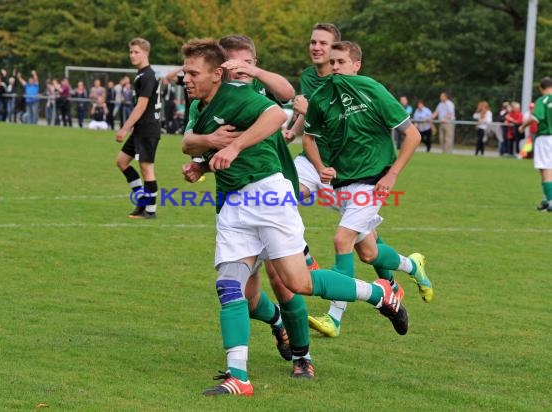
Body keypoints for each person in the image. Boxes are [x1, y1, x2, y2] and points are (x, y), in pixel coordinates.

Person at [180, 38, 407, 398]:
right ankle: (238, 376)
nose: (185, 78)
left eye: (192, 72)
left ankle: (377, 293)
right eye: (185, 71)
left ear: (216, 74)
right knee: (229, 286)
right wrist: (205, 155)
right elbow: (188, 143)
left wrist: (234, 146)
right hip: (231, 203)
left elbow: (276, 113)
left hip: (268, 197)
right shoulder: (199, 105)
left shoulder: (238, 94)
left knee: (297, 283)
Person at [306, 41, 433, 338]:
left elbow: (412, 135)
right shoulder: (322, 96)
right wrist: (320, 165)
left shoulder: (371, 89)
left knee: (341, 240)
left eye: (341, 62)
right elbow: (309, 138)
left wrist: (391, 175)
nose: (335, 67)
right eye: (332, 62)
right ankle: (412, 265)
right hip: (340, 185)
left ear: (356, 65)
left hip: (372, 182)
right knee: (368, 253)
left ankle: (334, 318)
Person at [116, 38, 161, 219]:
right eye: (131, 52)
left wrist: (125, 128)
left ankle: (149, 211)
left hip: (148, 129)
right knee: (121, 161)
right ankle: (142, 200)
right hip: (140, 130)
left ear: (146, 53)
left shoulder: (148, 75)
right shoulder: (142, 75)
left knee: (147, 169)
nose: (132, 55)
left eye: (136, 52)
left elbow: (141, 106)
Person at [519, 76, 552, 212]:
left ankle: (550, 201)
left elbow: (536, 117)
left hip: (545, 138)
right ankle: (546, 200)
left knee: (546, 169)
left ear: (540, 88)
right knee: (546, 169)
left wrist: (523, 126)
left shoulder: (542, 100)